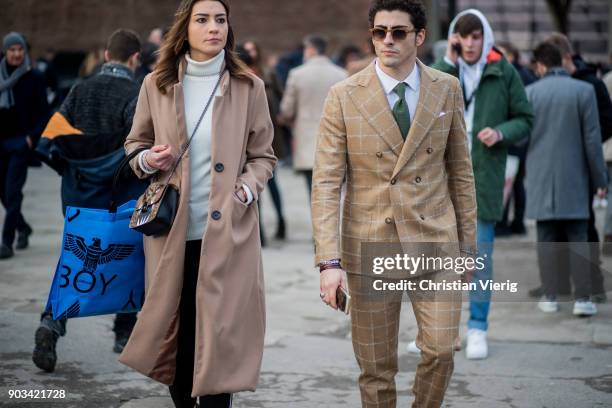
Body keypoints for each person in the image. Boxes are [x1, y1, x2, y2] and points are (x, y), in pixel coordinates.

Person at [312, 1, 477, 406]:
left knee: (440, 350)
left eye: (398, 32)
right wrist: (329, 263)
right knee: (376, 367)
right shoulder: (343, 95)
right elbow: (327, 183)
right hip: (370, 244)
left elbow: (461, 174)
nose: (387, 40)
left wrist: (468, 251)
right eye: (379, 31)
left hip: (436, 242)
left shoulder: (446, 87)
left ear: (419, 37)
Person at [118, 1, 276, 407]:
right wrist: (147, 159)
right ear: (184, 28)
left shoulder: (249, 86)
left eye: (220, 20)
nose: (213, 28)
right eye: (202, 20)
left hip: (228, 233)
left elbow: (264, 156)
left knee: (221, 337)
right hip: (172, 230)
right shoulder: (157, 83)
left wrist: (246, 186)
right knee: (179, 337)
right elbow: (135, 144)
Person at [413, 9, 533, 360]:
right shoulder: (440, 71)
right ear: (454, 38)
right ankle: (436, 330)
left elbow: (525, 118)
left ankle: (477, 327)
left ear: (486, 38)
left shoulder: (503, 71)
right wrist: (448, 61)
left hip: (483, 174)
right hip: (440, 177)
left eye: (476, 36)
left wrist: (500, 132)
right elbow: (421, 103)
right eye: (463, 37)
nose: (469, 43)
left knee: (478, 256)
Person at [32, 28, 146, 373]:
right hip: (120, 195)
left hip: (78, 194)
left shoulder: (79, 90)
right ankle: (124, 332)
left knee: (73, 259)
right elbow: (136, 148)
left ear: (107, 56)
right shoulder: (136, 92)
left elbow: (50, 142)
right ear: (135, 59)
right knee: (129, 258)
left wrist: (75, 171)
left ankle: (51, 322)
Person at [528, 33, 612, 303]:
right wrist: (600, 178)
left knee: (546, 235)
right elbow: (592, 139)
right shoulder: (585, 89)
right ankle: (584, 298)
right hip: (578, 174)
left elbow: (521, 135)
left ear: (541, 65)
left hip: (542, 177)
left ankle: (551, 295)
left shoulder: (530, 93)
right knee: (580, 234)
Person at [0, 32, 50, 260]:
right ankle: (23, 227)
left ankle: (6, 242)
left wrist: (31, 137)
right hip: (0, 142)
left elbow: (43, 113)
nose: (17, 54)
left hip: (20, 143)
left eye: (20, 49)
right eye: (12, 50)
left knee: (13, 192)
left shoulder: (35, 77)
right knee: (4, 194)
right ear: (6, 51)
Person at [279, 34, 347, 196]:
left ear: (311, 49)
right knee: (333, 190)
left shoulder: (297, 74)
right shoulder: (341, 74)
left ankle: (316, 221)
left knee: (313, 190)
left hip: (307, 138)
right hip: (334, 138)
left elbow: (287, 109)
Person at [243, 39, 288, 240]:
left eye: (253, 50)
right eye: (248, 51)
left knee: (273, 183)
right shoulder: (240, 78)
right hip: (248, 139)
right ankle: (259, 231)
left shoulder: (268, 74)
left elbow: (282, 99)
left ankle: (281, 222)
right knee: (254, 185)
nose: (251, 53)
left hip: (272, 137)